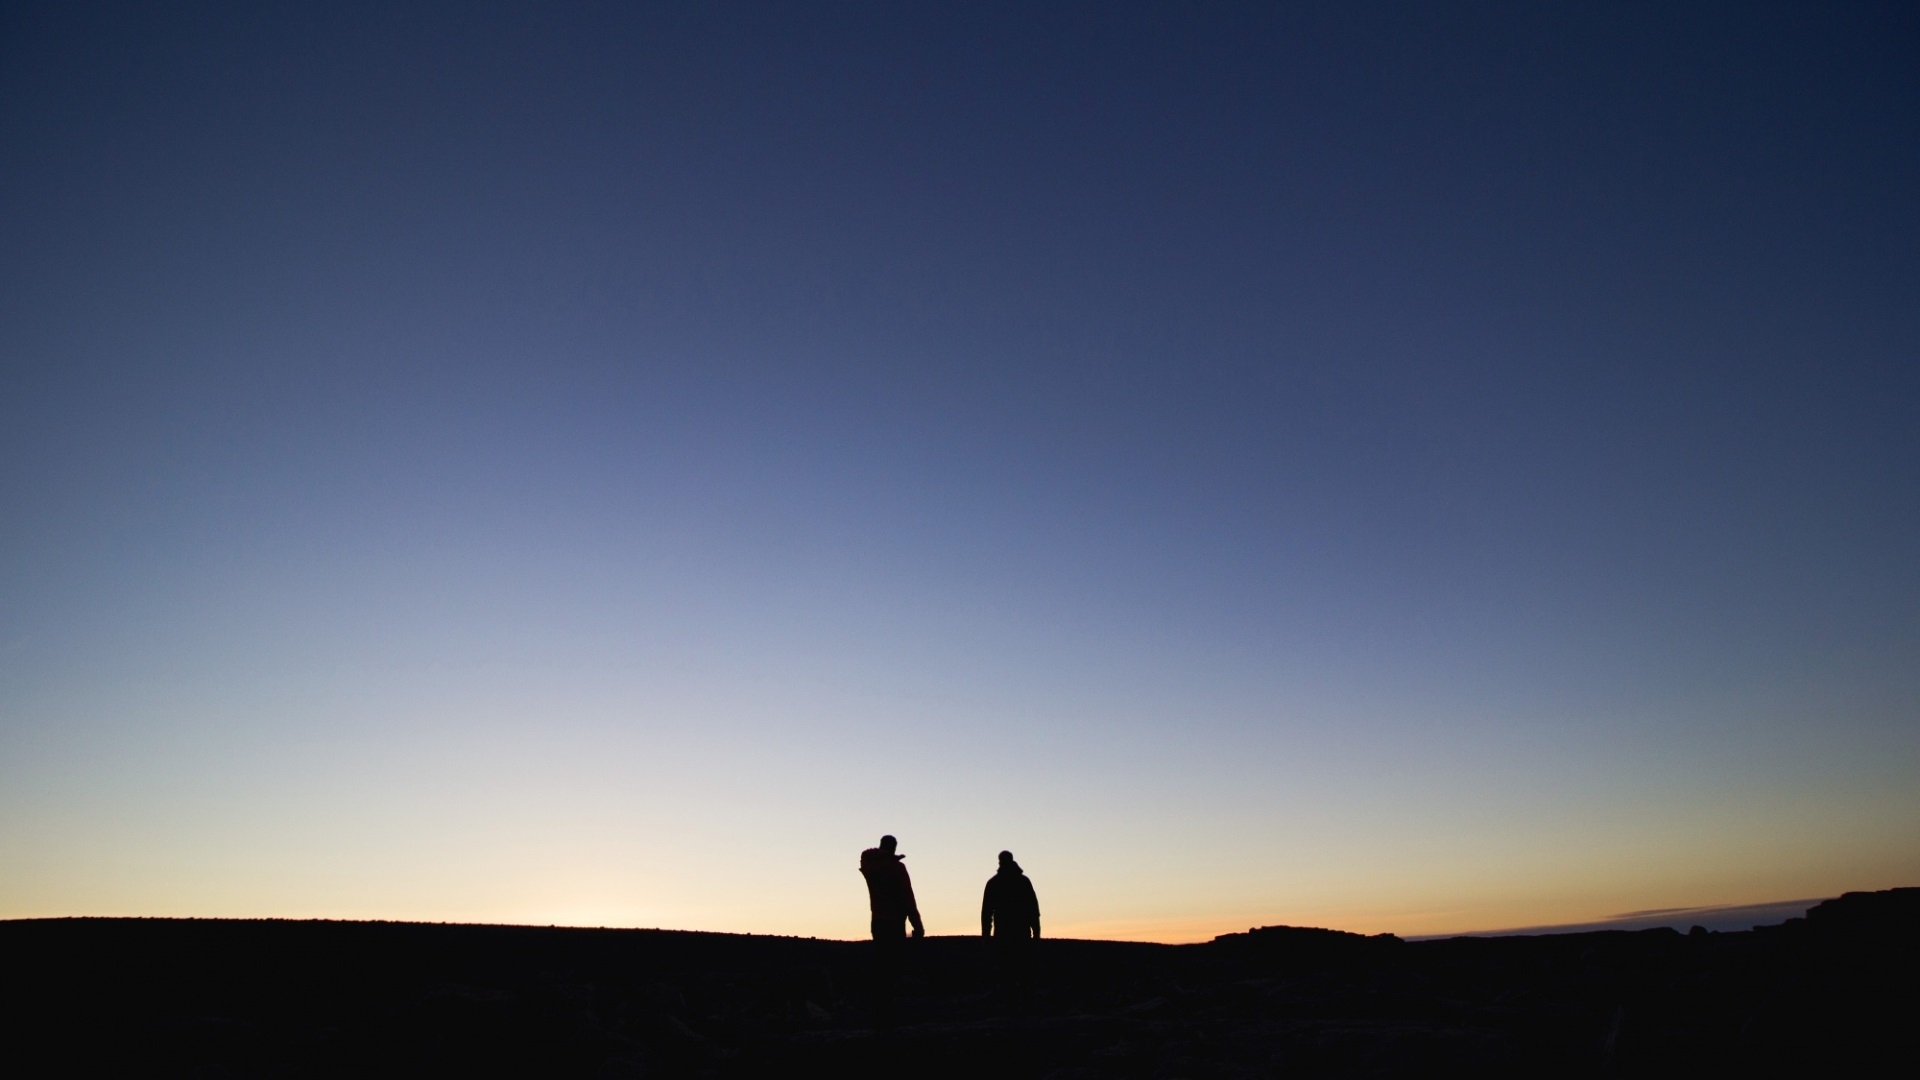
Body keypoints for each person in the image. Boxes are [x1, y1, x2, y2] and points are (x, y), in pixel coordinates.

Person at [859, 834, 925, 942]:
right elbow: (908, 899)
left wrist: (889, 857)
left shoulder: (870, 868)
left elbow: (866, 855)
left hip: (877, 922)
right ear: (893, 848)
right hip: (896, 922)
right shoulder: (898, 868)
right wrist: (918, 926)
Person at [981, 850, 1040, 940]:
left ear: (1000, 862)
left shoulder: (993, 883)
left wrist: (986, 936)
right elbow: (1033, 909)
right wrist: (1036, 933)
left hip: (1003, 936)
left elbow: (987, 913)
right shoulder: (1023, 882)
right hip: (1021, 935)